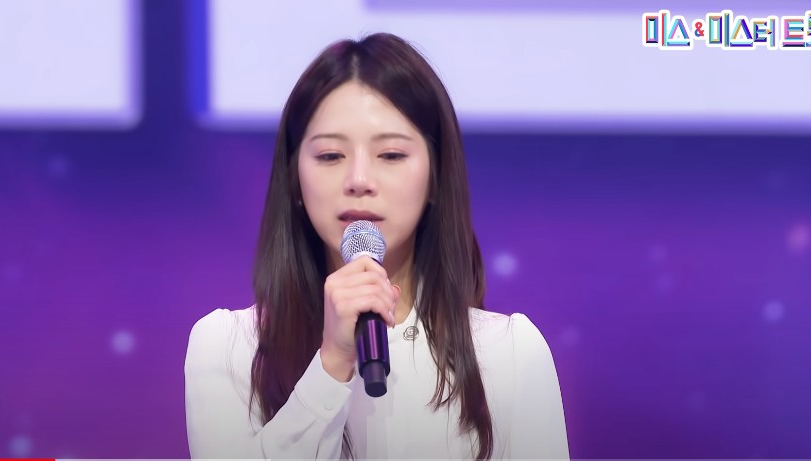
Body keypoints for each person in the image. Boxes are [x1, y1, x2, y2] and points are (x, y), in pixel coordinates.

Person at [184, 32, 568, 460]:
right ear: (294, 178)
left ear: (435, 177)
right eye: (331, 156)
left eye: (391, 155)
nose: (359, 180)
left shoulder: (509, 355)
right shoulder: (229, 348)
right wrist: (332, 363)